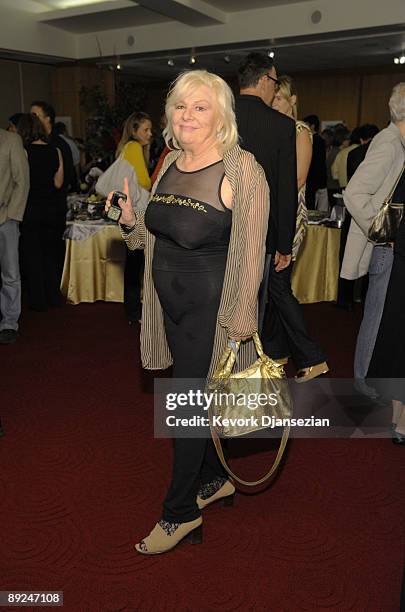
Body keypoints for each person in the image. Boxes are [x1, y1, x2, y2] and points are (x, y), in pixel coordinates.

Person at [106, 69, 269, 554]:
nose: (188, 115)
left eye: (201, 106)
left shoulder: (243, 171)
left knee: (186, 410)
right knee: (190, 401)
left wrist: (239, 327)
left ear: (222, 116)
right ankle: (215, 479)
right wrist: (133, 220)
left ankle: (179, 513)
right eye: (180, 106)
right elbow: (154, 239)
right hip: (168, 310)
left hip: (213, 315)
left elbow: (251, 256)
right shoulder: (171, 162)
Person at [235, 53, 327, 382]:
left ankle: (268, 355)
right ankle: (300, 356)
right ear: (263, 81)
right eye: (274, 82)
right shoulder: (282, 127)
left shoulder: (222, 119)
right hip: (269, 227)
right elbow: (286, 190)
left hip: (225, 226)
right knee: (271, 290)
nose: (275, 90)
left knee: (245, 293)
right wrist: (283, 242)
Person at [341, 83, 405, 390]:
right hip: (385, 248)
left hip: (388, 248)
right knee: (376, 319)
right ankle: (364, 387)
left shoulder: (396, 141)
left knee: (380, 319)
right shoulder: (390, 143)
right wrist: (383, 232)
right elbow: (354, 193)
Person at [269, 75, 328, 377]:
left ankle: (310, 356)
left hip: (290, 216)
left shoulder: (299, 131)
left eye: (279, 98)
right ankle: (277, 353)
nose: (274, 102)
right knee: (277, 284)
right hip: (276, 214)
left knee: (277, 285)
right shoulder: (277, 131)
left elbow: (298, 179)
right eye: (272, 97)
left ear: (293, 100)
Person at [367, 87, 405, 444]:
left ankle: (398, 420)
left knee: (395, 336)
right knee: (395, 336)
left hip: (401, 257)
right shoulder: (391, 143)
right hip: (401, 258)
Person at [30, 101, 76, 304]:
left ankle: (48, 295)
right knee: (44, 253)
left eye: (35, 115)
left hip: (53, 207)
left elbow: (65, 180)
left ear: (47, 118)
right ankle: (48, 295)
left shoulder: (59, 145)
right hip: (49, 207)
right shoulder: (47, 146)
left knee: (51, 253)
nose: (31, 119)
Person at [17, 113, 64, 311]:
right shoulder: (56, 151)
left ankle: (38, 301)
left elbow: (21, 183)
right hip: (52, 210)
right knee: (51, 255)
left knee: (33, 256)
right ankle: (54, 297)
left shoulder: (24, 153)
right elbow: (58, 183)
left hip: (31, 209)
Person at [116, 112, 153, 324]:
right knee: (136, 262)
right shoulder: (134, 147)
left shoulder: (126, 147)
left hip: (130, 210)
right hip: (136, 212)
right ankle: (134, 312)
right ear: (134, 131)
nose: (150, 133)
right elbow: (144, 181)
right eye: (145, 129)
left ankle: (132, 311)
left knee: (133, 263)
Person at [0, 126, 29, 344]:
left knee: (10, 273)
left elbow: (22, 181)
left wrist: (13, 215)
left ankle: (9, 322)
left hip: (5, 218)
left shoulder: (10, 140)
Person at [303, 114, 327, 209]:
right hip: (312, 179)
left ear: (312, 126)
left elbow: (317, 162)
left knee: (313, 206)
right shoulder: (311, 139)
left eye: (306, 124)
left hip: (314, 179)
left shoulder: (317, 140)